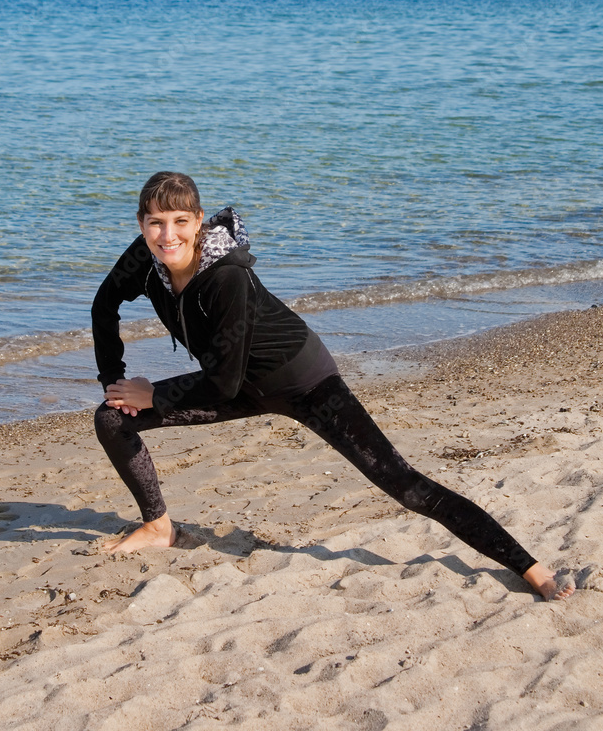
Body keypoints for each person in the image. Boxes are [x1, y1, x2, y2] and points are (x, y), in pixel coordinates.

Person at [92, 171, 574, 601]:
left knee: (404, 485)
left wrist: (154, 393)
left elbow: (220, 382)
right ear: (141, 224)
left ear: (198, 221)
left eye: (179, 221)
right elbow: (104, 305)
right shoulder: (147, 257)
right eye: (155, 223)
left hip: (304, 382)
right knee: (112, 416)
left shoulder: (227, 279)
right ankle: (159, 527)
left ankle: (530, 569)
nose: (166, 234)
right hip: (233, 383)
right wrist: (115, 379)